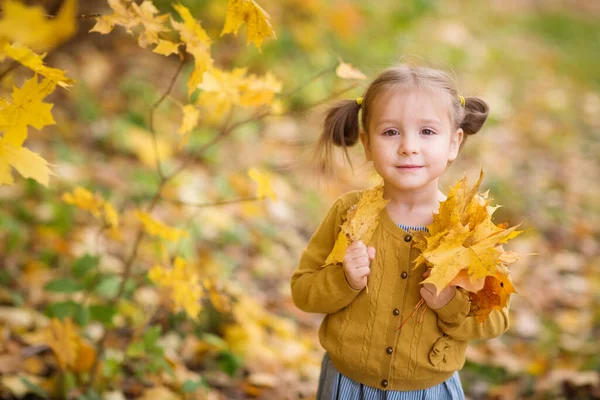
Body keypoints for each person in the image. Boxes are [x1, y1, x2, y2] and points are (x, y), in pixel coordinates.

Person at [290, 64, 510, 399]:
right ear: (366, 144)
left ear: (454, 143)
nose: (408, 146)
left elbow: (494, 321)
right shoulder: (348, 215)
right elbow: (302, 291)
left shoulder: (468, 226)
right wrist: (344, 281)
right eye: (390, 132)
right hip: (348, 385)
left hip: (426, 390)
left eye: (427, 132)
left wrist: (450, 302)